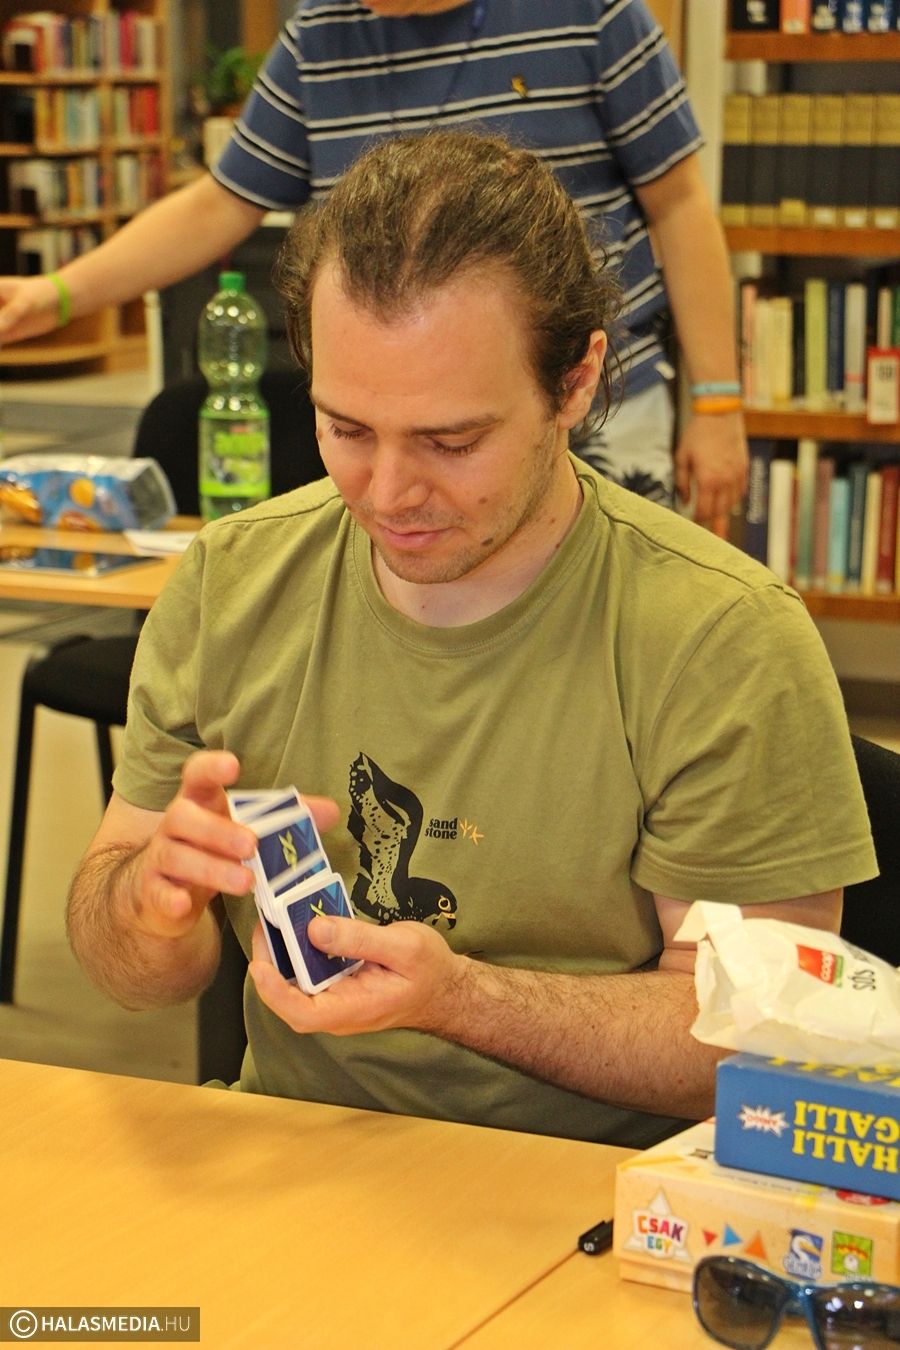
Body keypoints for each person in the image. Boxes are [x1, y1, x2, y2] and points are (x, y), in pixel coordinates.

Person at [66, 129, 875, 1149]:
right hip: (295, 1164)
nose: (389, 493)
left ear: (575, 385)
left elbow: (751, 1047)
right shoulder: (231, 582)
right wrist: (149, 904)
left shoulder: (721, 638)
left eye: (451, 442)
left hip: (590, 1197)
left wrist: (461, 1000)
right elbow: (132, 971)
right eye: (346, 429)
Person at [0, 0, 746, 523]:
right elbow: (220, 203)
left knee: (598, 637)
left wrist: (717, 403)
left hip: (588, 397)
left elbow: (680, 207)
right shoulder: (318, 33)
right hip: (403, 405)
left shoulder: (595, 14)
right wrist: (55, 295)